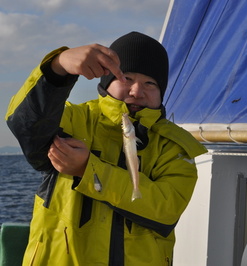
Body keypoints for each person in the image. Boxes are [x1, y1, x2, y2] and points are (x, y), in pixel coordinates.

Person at [5, 31, 207, 265]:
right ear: (106, 80)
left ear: (161, 91)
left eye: (150, 83)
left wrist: (87, 170)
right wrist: (57, 68)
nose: (136, 92)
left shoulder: (175, 146)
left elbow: (166, 208)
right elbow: (25, 123)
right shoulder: (71, 119)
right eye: (127, 78)